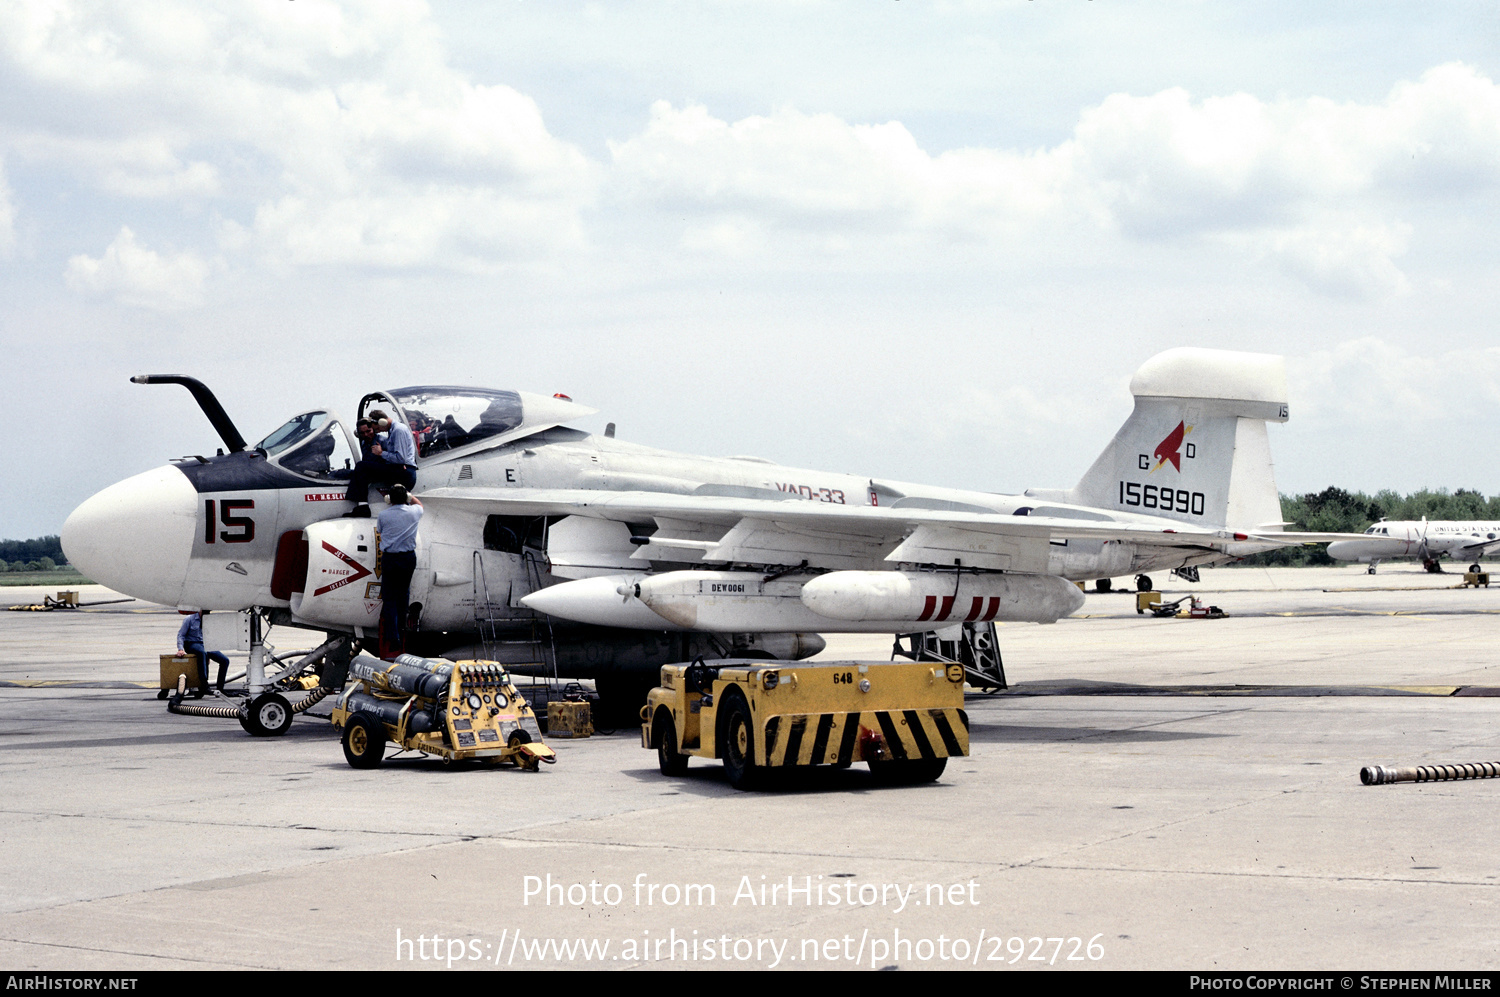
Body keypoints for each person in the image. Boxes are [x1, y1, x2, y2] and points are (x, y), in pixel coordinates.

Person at [376, 484, 423, 658]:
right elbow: (419, 505)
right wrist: (410, 497)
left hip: (390, 558)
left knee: (389, 598)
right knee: (403, 597)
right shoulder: (414, 512)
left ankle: (392, 636)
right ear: (406, 498)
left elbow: (380, 531)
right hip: (408, 558)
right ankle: (402, 631)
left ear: (389, 499)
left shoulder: (383, 514)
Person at [343, 410, 417, 516]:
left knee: (361, 466)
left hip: (404, 471)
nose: (378, 431)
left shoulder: (398, 430)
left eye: (376, 428)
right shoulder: (392, 431)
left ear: (382, 422)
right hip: (399, 469)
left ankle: (363, 506)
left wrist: (381, 453)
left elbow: (401, 458)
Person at [176, 611, 230, 696]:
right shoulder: (189, 619)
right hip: (191, 643)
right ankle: (204, 685)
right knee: (202, 653)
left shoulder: (208, 620)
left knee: (225, 660)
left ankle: (220, 689)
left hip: (204, 644)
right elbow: (181, 635)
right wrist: (180, 649)